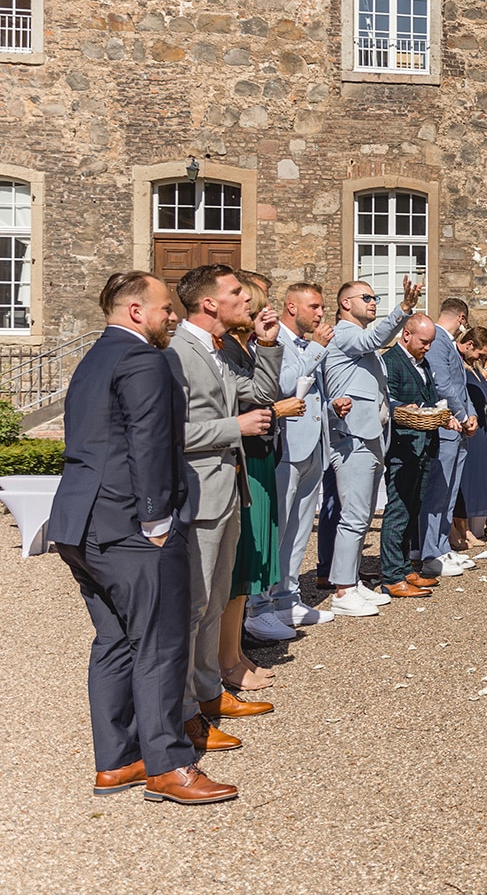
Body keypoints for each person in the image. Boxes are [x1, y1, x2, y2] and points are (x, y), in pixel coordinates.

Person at [52, 272, 237, 804]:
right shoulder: (145, 359)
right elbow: (150, 441)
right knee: (161, 642)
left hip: (82, 524)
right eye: (165, 309)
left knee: (113, 643)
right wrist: (156, 521)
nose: (174, 317)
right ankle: (168, 765)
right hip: (132, 526)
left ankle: (118, 760)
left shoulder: (94, 357)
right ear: (136, 312)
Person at [166, 264, 282, 746]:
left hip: (228, 490)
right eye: (237, 292)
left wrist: (270, 347)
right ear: (210, 303)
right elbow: (173, 433)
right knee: (194, 606)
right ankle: (187, 714)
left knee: (214, 602)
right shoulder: (179, 353)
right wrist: (235, 428)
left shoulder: (216, 350)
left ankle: (210, 692)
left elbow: (257, 394)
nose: (247, 299)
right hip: (200, 495)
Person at [219, 273, 306, 683]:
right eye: (257, 303)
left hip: (261, 452)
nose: (261, 310)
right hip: (246, 456)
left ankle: (234, 651)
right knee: (241, 562)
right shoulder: (226, 350)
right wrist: (277, 412)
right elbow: (260, 400)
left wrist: (268, 345)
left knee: (251, 556)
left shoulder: (245, 348)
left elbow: (261, 394)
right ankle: (229, 658)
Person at [322, 276, 422, 617]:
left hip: (370, 435)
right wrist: (404, 309)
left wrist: (395, 409)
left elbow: (373, 389)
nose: (373, 301)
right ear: (345, 303)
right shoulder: (346, 334)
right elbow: (375, 336)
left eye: (376, 297)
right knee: (353, 517)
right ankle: (342, 590)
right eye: (366, 297)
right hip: (352, 437)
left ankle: (350, 581)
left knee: (362, 514)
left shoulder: (362, 344)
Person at [260, 282, 347, 631]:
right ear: (291, 307)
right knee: (277, 528)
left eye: (322, 307)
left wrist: (331, 406)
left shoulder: (309, 344)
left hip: (313, 444)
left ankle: (288, 598)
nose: (321, 313)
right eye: (314, 307)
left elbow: (310, 393)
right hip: (286, 447)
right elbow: (280, 386)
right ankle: (261, 603)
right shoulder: (273, 338)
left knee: (298, 530)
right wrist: (316, 350)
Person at [380, 314, 451, 598]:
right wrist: (408, 409)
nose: (428, 348)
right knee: (397, 511)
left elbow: (431, 398)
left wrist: (441, 414)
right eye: (424, 342)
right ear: (406, 335)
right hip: (403, 447)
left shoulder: (423, 363)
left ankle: (406, 566)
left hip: (425, 445)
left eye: (431, 342)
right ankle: (391, 576)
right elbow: (388, 399)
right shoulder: (390, 362)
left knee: (413, 510)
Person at [419, 298, 479, 581]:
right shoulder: (439, 342)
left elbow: (460, 384)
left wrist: (472, 413)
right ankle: (430, 552)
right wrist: (462, 414)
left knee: (450, 491)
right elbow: (443, 384)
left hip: (458, 426)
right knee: (438, 491)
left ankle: (441, 545)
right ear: (462, 318)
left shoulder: (447, 344)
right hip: (446, 425)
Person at [453, 326, 487, 552]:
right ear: (470, 344)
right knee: (465, 480)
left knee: (476, 479)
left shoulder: (473, 368)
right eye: (481, 353)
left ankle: (468, 528)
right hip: (468, 428)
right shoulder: (459, 369)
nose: (482, 357)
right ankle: (462, 529)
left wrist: (484, 369)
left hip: (481, 429)